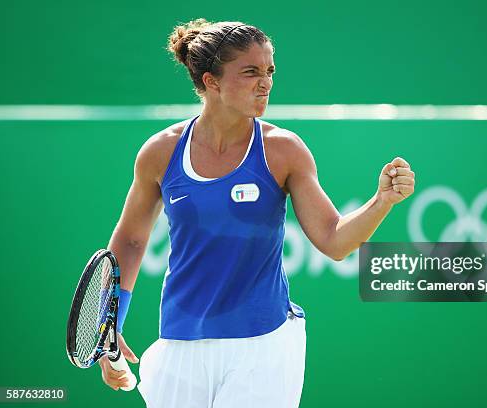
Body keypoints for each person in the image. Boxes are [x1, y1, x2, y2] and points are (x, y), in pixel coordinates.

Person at [98, 18, 415, 408]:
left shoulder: (283, 149)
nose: (265, 82)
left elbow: (335, 241)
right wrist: (108, 323)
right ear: (212, 81)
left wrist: (381, 201)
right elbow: (129, 241)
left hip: (264, 345)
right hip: (180, 342)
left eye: (269, 71)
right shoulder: (160, 152)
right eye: (250, 72)